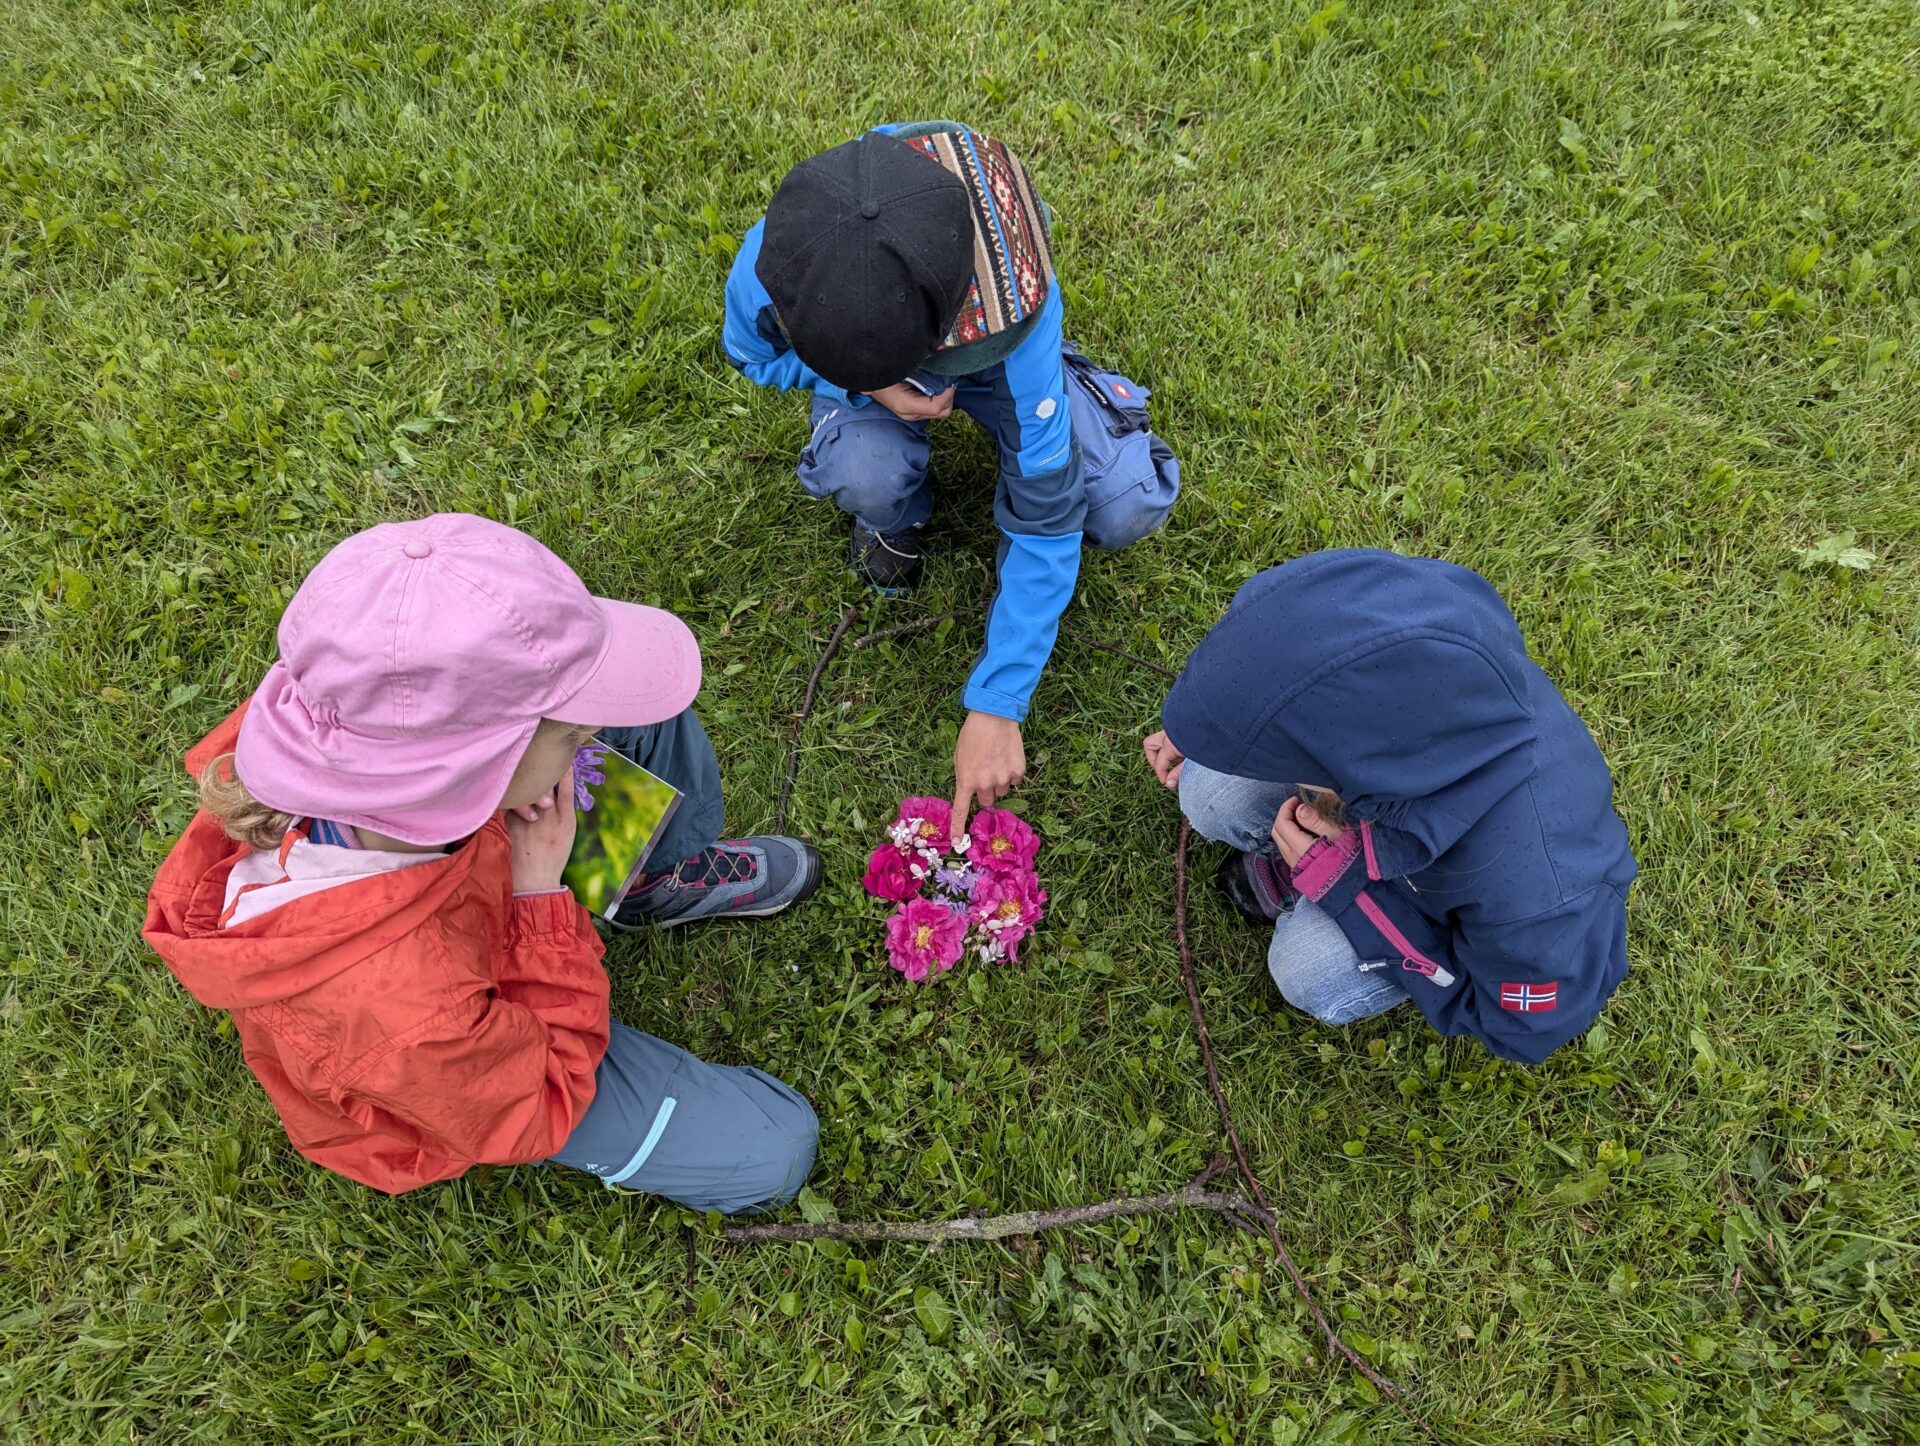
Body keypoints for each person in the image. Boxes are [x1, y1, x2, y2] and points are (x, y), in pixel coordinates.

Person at [144, 514, 821, 1211]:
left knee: (632, 700)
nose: (588, 737)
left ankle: (643, 882)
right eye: (571, 739)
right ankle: (602, 887)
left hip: (482, 878)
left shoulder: (354, 716)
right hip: (489, 1052)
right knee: (775, 1147)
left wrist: (548, 798)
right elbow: (535, 1106)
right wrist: (539, 903)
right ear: (475, 776)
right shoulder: (400, 1013)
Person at [724, 120, 1180, 844]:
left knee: (1126, 499)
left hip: (992, 358)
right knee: (864, 471)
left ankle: (1083, 397)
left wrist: (998, 702)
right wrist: (874, 390)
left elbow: (1047, 516)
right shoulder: (776, 268)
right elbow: (755, 358)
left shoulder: (1012, 302)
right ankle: (891, 508)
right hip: (880, 372)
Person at [1142, 550, 1636, 1064]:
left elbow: (1519, 1028)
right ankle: (1325, 861)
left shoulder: (1541, 900)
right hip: (1396, 811)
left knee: (1307, 969)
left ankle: (1339, 884)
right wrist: (1206, 719)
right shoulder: (1415, 666)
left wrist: (1347, 889)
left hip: (1448, 903)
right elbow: (1291, 651)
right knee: (1210, 794)